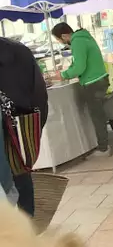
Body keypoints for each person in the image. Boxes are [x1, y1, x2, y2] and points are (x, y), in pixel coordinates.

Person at [0, 37, 48, 215]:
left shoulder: (18, 52)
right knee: (23, 183)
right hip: (19, 135)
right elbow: (40, 99)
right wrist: (31, 137)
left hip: (14, 139)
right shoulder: (18, 50)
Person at [52, 23, 110, 157]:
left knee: (97, 116)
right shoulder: (85, 37)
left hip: (93, 83)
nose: (61, 43)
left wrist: (63, 75)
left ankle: (104, 148)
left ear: (64, 36)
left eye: (59, 40)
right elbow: (79, 62)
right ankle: (103, 144)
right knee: (99, 115)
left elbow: (79, 67)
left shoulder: (77, 42)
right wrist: (68, 71)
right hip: (100, 79)